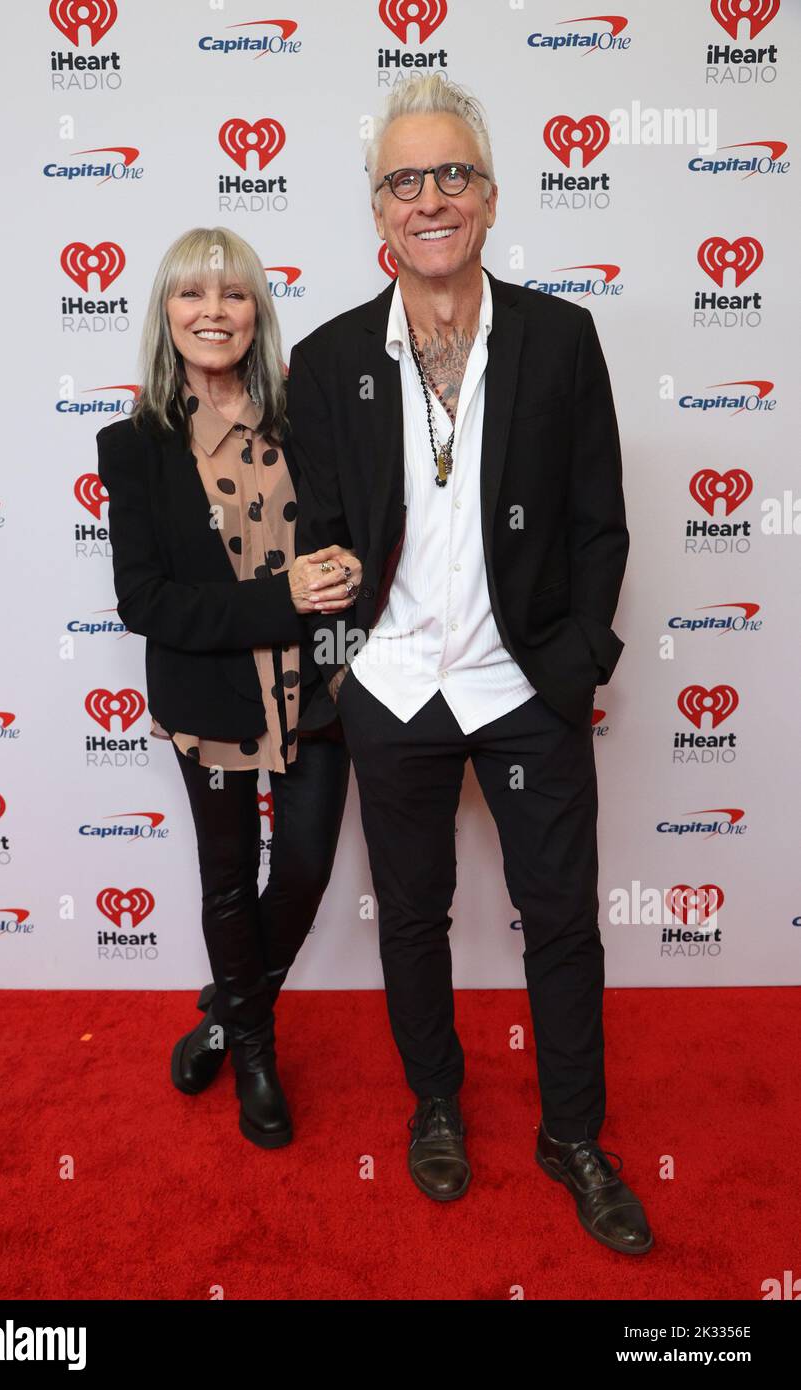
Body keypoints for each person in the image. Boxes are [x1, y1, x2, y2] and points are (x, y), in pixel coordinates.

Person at [287, 76, 652, 1253]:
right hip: (389, 689)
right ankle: (435, 1102)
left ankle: (572, 1135)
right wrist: (342, 679)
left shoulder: (560, 340)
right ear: (378, 212)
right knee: (412, 915)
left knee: (559, 919)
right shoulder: (329, 356)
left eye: (451, 175)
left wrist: (578, 665)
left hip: (523, 688)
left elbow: (599, 524)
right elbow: (316, 544)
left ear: (489, 199)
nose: (429, 197)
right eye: (404, 180)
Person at [96, 227, 362, 1149]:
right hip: (209, 702)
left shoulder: (308, 420)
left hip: (318, 695)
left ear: (258, 310)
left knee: (303, 870)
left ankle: (222, 1011)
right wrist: (279, 598)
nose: (214, 312)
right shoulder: (133, 447)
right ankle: (253, 1050)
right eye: (191, 295)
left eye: (234, 294)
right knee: (224, 880)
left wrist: (343, 585)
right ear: (166, 316)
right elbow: (145, 601)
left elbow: (352, 539)